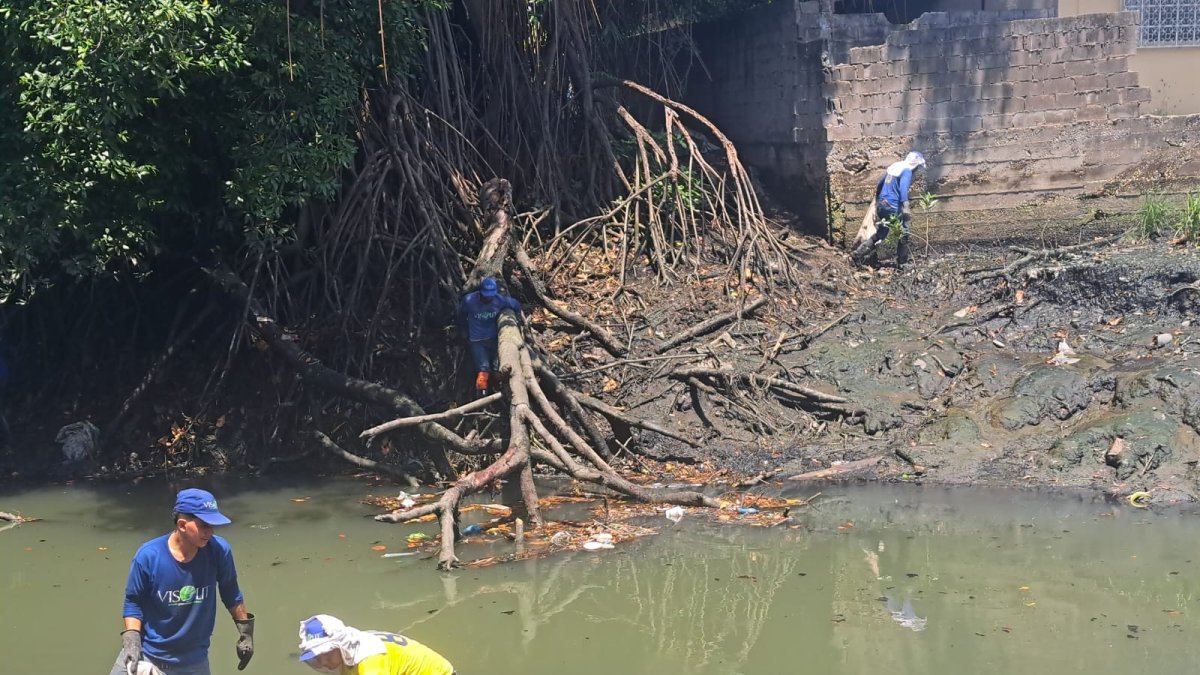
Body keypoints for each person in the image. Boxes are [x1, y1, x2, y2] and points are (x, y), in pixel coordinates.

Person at [110, 488, 255, 675]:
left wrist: (246, 632)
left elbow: (231, 592)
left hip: (192, 663)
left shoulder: (219, 551)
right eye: (203, 525)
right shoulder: (148, 556)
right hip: (147, 655)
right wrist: (131, 640)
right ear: (182, 524)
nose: (209, 531)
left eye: (212, 525)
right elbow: (133, 601)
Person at [297, 614, 456, 675]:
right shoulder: (351, 650)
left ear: (340, 645)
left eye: (327, 654)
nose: (323, 662)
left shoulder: (369, 661)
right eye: (318, 657)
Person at [851, 151, 927, 268]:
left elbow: (879, 184)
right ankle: (902, 262)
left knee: (882, 232)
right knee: (904, 230)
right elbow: (903, 189)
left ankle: (858, 254)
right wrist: (905, 206)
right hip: (893, 206)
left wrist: (878, 201)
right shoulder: (906, 171)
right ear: (915, 166)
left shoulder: (895, 167)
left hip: (882, 204)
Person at [456, 276, 521, 396]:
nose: (488, 298)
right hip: (477, 340)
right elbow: (460, 315)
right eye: (486, 295)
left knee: (499, 370)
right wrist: (463, 331)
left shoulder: (498, 300)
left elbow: (515, 304)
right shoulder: (469, 300)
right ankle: (481, 401)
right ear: (480, 292)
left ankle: (500, 392)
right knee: (483, 371)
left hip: (494, 339)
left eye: (490, 295)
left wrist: (518, 319)